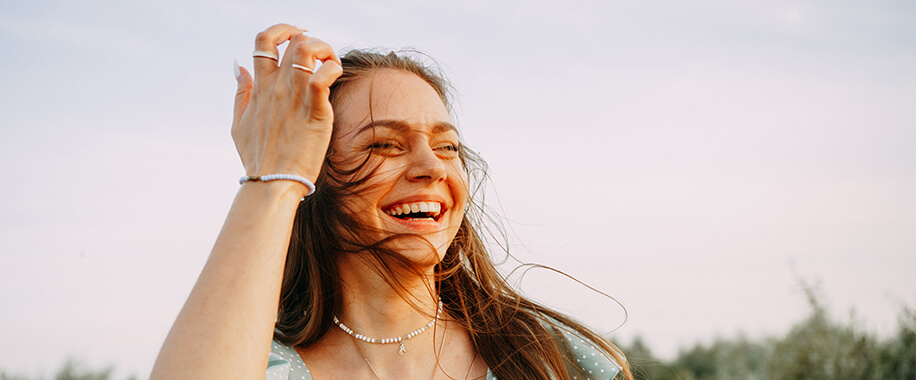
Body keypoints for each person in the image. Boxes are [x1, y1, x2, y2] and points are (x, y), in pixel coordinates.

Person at [152, 24, 632, 380]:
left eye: (447, 147)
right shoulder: (261, 366)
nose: (433, 167)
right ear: (311, 177)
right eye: (385, 144)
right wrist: (271, 176)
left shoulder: (553, 362)